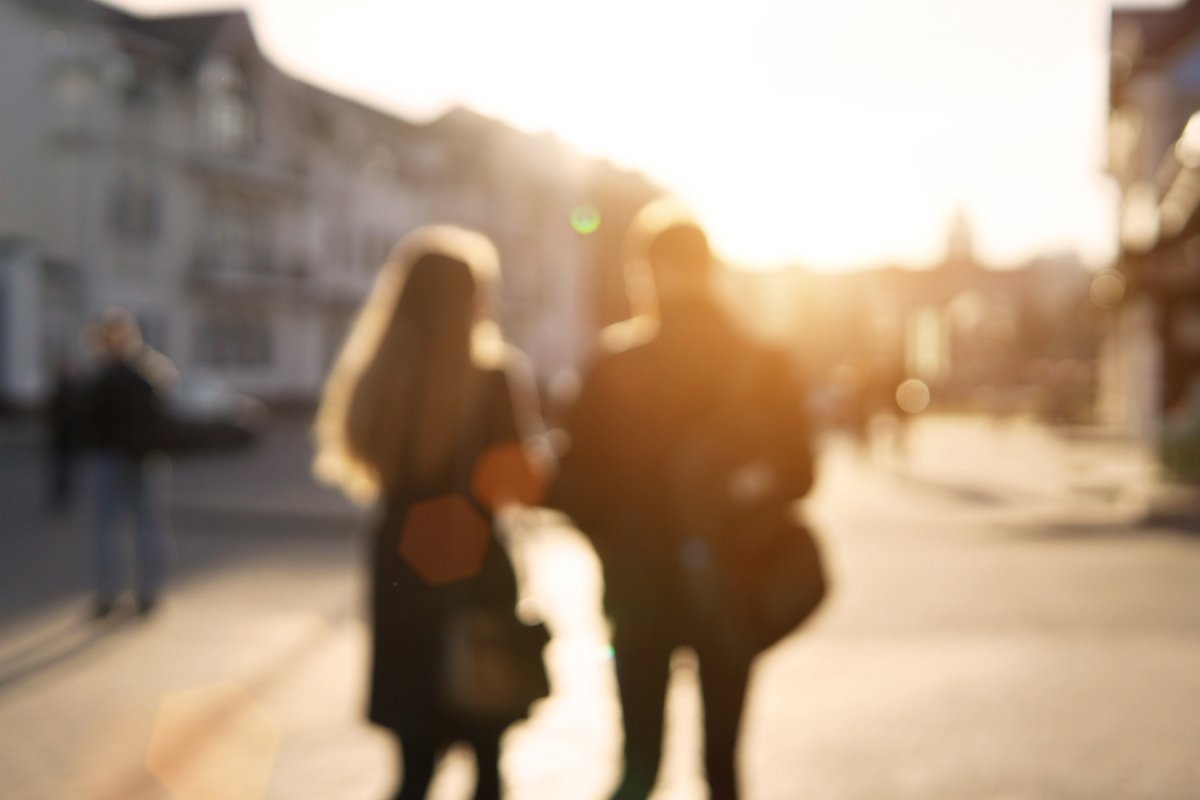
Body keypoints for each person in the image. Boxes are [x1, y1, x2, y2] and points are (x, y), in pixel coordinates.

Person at [549, 200, 817, 799]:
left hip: (637, 590)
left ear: (647, 272)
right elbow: (800, 475)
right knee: (722, 769)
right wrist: (743, 499)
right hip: (733, 584)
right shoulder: (762, 363)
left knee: (637, 765)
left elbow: (571, 486)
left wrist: (615, 540)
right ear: (710, 269)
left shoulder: (615, 364)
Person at [313, 226, 546, 800]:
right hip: (476, 570)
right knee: (487, 755)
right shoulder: (493, 378)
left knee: (415, 763)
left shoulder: (379, 375)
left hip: (400, 570)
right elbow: (518, 484)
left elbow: (359, 456)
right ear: (475, 297)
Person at [85, 307, 178, 617]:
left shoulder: (112, 374)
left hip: (121, 457)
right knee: (140, 526)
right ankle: (140, 593)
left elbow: (89, 417)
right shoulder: (153, 370)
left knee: (122, 527)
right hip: (139, 457)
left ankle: (120, 594)